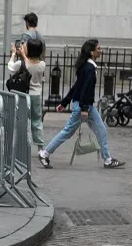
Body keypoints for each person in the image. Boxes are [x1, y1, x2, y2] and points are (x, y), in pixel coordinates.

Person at [38, 39, 124, 170]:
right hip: (84, 106)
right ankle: (45, 154)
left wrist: (65, 102)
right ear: (91, 52)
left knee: (101, 130)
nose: (101, 51)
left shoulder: (85, 66)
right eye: (98, 48)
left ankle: (107, 159)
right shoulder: (89, 68)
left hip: (85, 105)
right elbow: (85, 89)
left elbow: (77, 87)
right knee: (68, 132)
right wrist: (83, 108)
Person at [8, 39, 47, 152]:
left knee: (22, 119)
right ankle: (40, 147)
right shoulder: (42, 65)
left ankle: (20, 145)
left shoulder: (22, 63)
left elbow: (11, 67)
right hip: (37, 95)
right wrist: (24, 55)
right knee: (37, 121)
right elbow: (31, 64)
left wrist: (13, 54)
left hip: (25, 95)